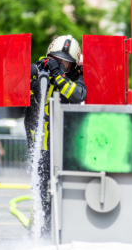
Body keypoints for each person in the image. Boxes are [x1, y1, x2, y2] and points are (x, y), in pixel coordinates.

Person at [25, 35, 87, 235]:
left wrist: (58, 75)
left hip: (65, 145)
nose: (60, 66)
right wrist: (35, 70)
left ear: (74, 64)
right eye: (56, 60)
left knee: (65, 190)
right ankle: (42, 230)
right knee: (41, 190)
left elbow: (77, 96)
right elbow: (15, 83)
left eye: (65, 64)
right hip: (41, 145)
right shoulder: (39, 70)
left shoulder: (76, 77)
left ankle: (63, 229)